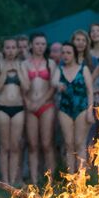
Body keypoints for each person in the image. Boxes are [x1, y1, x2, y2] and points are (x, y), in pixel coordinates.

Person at [51, 42, 94, 173]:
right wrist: (58, 84)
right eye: (63, 53)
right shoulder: (59, 69)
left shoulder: (83, 69)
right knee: (69, 144)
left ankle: (81, 179)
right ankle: (71, 177)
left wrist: (90, 111)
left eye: (68, 52)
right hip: (65, 109)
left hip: (82, 108)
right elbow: (53, 82)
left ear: (75, 54)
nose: (65, 55)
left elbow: (90, 91)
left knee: (80, 143)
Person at [0, 38, 29, 184]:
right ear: (3, 49)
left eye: (14, 47)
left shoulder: (21, 65)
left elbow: (26, 87)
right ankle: (4, 180)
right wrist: (5, 71)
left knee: (15, 146)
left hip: (18, 109)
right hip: (2, 108)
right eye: (8, 48)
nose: (11, 50)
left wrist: (18, 71)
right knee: (4, 147)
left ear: (17, 50)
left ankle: (12, 182)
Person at [22, 33, 57, 184]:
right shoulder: (24, 64)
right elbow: (22, 87)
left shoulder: (51, 63)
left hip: (46, 105)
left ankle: (51, 181)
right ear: (31, 45)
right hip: (30, 106)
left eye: (43, 44)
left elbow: (53, 87)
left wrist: (40, 101)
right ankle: (34, 181)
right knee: (32, 145)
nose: (40, 47)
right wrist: (28, 102)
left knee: (47, 144)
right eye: (37, 44)